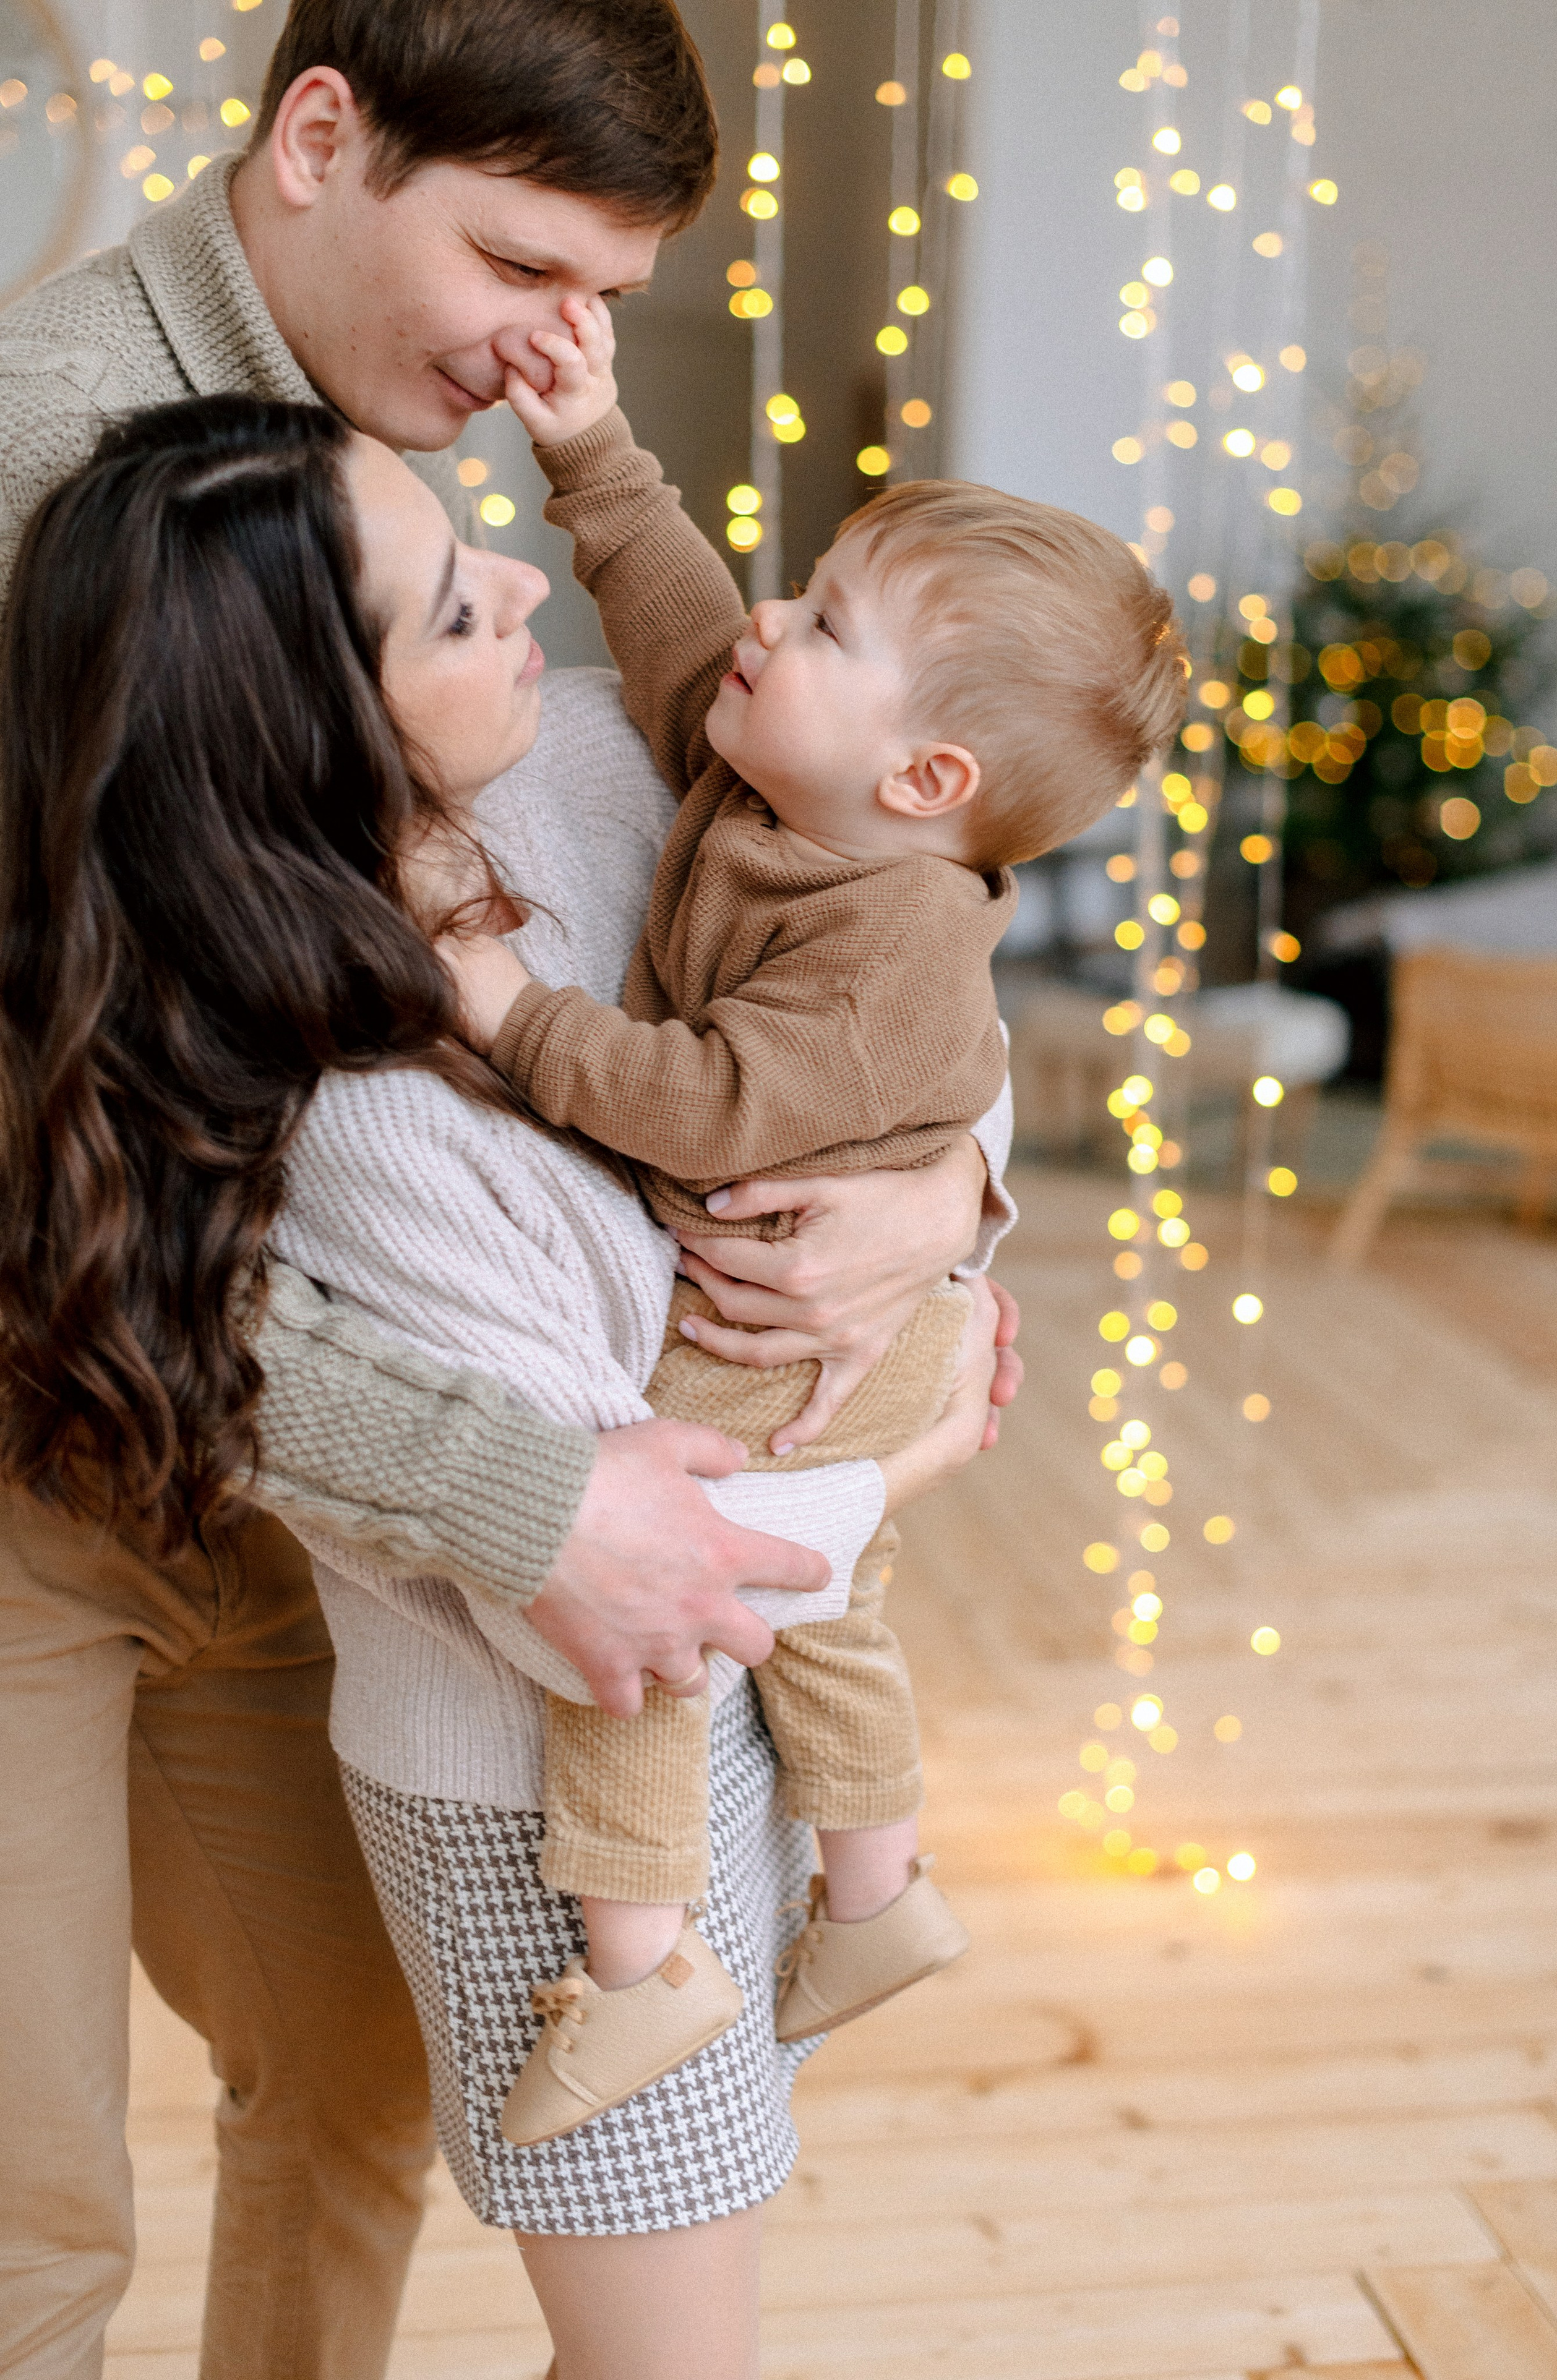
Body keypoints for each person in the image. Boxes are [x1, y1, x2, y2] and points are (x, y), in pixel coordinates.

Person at [0, 4, 1018, 2373]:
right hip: (77, 1433)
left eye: (607, 288)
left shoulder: (427, 486)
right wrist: (524, 1491)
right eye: (516, 262)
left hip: (329, 1523)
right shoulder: (42, 475)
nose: (559, 348)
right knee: (35, 2210)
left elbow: (807, 881)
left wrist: (941, 1196)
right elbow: (63, 1169)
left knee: (348, 2102)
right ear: (319, 139)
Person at [384, 298, 1185, 2139]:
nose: (768, 619)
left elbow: (702, 1104)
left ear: (925, 785)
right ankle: (883, 1899)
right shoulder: (786, 785)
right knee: (835, 1614)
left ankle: (642, 1970)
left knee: (660, 1608)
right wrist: (594, 450)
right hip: (840, 1303)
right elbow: (680, 623)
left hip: (815, 1333)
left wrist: (509, 1011)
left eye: (824, 624)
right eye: (806, 588)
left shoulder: (893, 945)